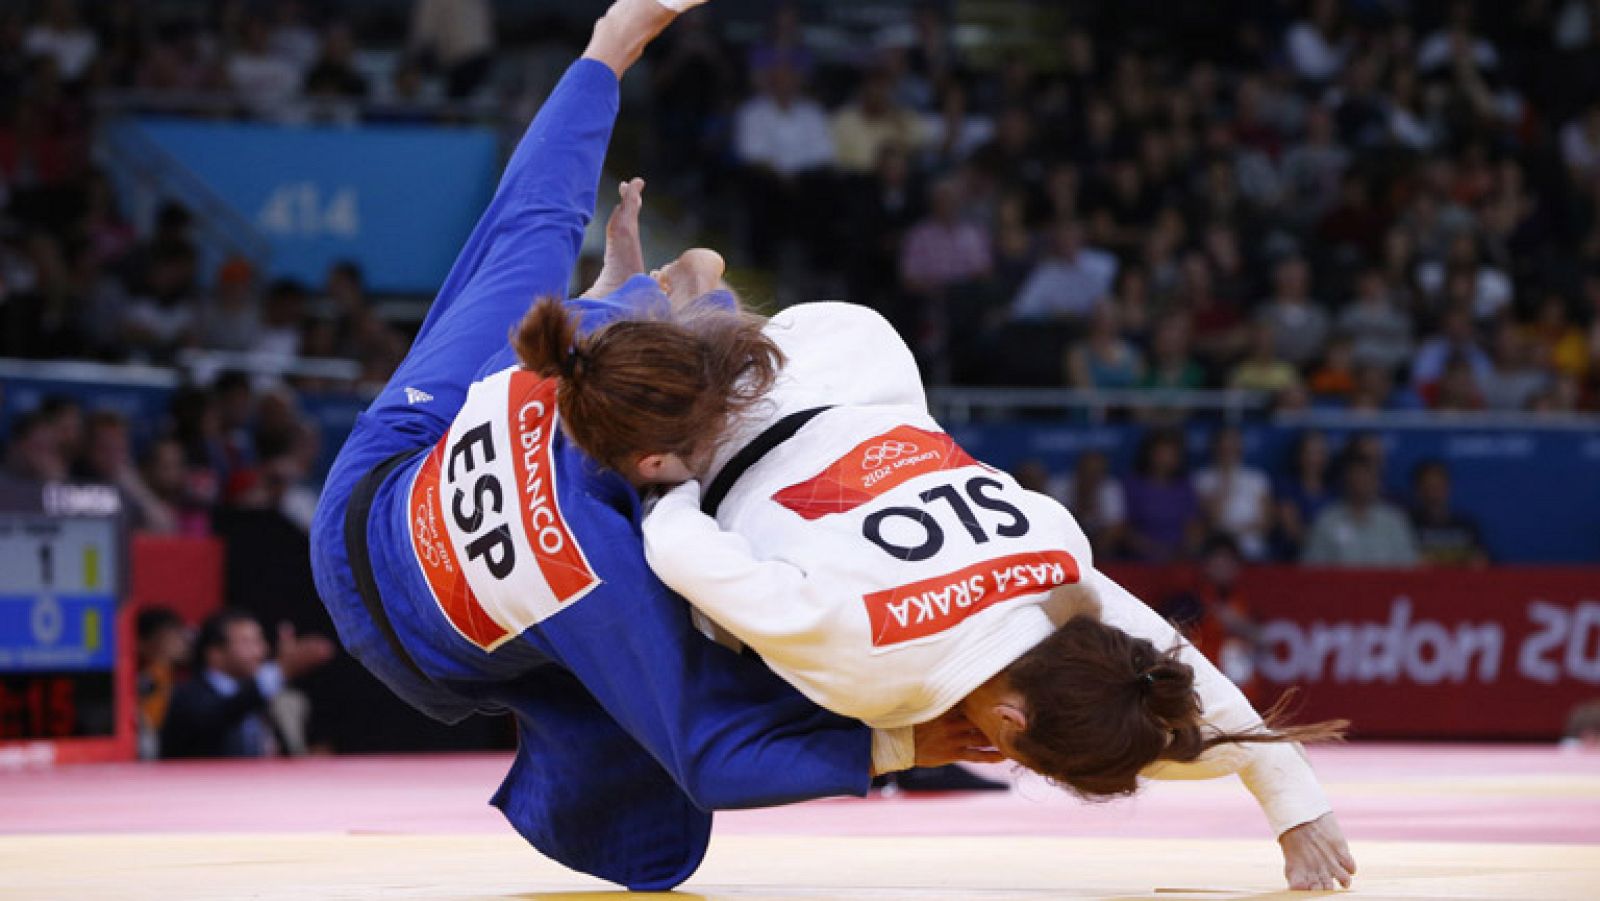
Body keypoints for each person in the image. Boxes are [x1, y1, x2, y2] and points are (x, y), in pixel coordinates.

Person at [308, 3, 975, 892]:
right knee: (667, 809)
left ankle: (614, 69)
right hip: (410, 635)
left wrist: (608, 57)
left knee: (533, 248)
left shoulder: (571, 347)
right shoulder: (601, 564)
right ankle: (662, 286)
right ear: (654, 466)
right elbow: (712, 755)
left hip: (383, 472)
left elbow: (538, 205)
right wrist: (902, 742)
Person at [512, 225, 1354, 888]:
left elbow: (1163, 678)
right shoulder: (872, 660)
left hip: (842, 365)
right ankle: (673, 320)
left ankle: (708, 319)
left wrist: (1294, 799)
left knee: (732, 413)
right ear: (1013, 728)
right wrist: (666, 482)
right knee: (703, 610)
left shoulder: (1062, 574)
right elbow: (688, 558)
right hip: (734, 433)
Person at [160, 608, 333, 758]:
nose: (261, 651)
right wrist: (281, 670)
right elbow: (224, 712)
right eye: (247, 642)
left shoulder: (264, 696)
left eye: (260, 641)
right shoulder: (188, 697)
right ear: (215, 653)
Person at [1302, 458, 1420, 566]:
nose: (1361, 484)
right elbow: (1312, 567)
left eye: (1367, 478)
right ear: (1346, 481)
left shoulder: (1394, 521)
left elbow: (1408, 567)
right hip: (1339, 587)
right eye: (1356, 478)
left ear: (1377, 481)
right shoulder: (1327, 520)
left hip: (1385, 588)